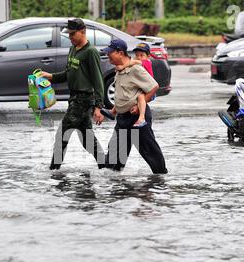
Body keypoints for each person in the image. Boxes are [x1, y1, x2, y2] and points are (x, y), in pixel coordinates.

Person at [40, 18, 106, 170]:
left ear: (82, 32)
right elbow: (68, 73)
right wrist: (50, 76)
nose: (70, 38)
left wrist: (98, 107)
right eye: (68, 35)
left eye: (72, 34)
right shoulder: (73, 49)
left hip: (83, 100)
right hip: (74, 98)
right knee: (87, 140)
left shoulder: (90, 52)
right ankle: (105, 166)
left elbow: (98, 81)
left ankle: (54, 170)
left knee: (61, 135)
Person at [101, 39, 168, 174]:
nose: (107, 56)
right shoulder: (119, 69)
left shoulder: (135, 69)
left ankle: (161, 178)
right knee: (113, 157)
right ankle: (114, 184)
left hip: (136, 118)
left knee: (149, 151)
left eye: (110, 53)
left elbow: (153, 86)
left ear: (120, 53)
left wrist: (138, 107)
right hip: (122, 118)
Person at [101, 42, 154, 128]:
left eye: (142, 55)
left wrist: (123, 66)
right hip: (123, 118)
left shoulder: (141, 64)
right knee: (121, 141)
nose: (139, 57)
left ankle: (142, 118)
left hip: (136, 110)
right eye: (137, 55)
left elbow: (154, 87)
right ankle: (113, 112)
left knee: (140, 97)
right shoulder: (123, 68)